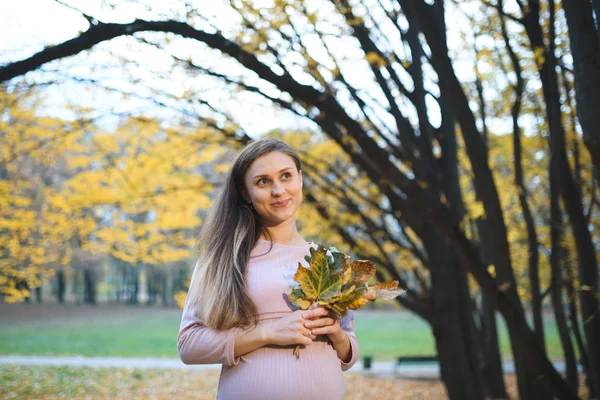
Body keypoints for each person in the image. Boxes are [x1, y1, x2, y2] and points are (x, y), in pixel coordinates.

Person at [177, 138, 359, 399]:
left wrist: (338, 335)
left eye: (286, 176)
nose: (278, 190)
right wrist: (267, 332)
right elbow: (189, 345)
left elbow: (348, 353)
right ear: (245, 192)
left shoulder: (331, 262)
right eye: (263, 181)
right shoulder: (223, 260)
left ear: (300, 179)